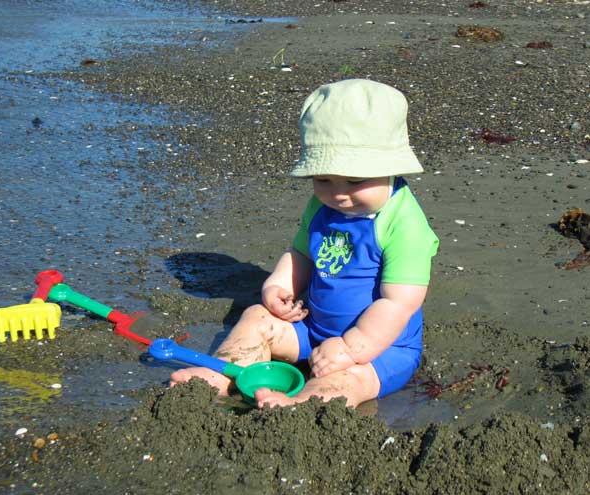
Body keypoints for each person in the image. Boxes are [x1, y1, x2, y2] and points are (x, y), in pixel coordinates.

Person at [171, 79, 439, 408]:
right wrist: (278, 286)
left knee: (347, 382)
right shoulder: (324, 206)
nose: (338, 193)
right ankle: (224, 372)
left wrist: (351, 348)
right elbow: (301, 254)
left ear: (391, 168)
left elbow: (399, 303)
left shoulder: (404, 225)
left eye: (355, 180)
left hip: (380, 351)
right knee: (256, 316)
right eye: (323, 179)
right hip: (312, 330)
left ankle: (301, 406)